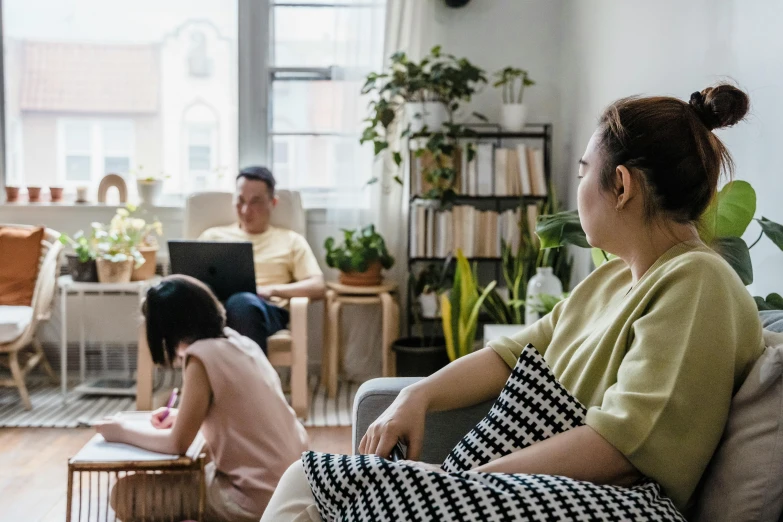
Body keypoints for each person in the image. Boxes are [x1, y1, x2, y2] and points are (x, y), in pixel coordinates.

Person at [261, 84, 764, 520]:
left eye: (584, 172)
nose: (577, 188)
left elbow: (625, 445)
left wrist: (469, 479)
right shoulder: (612, 279)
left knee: (313, 482)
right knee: (318, 486)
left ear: (621, 184)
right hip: (549, 492)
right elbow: (513, 353)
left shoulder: (698, 281)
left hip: (616, 504)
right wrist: (418, 396)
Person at [96, 275, 308, 521]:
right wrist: (181, 414)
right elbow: (234, 411)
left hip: (253, 501)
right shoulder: (242, 343)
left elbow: (177, 444)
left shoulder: (200, 357)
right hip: (291, 491)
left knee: (124, 494)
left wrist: (121, 431)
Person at [199, 166, 325, 353]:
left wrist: (270, 290)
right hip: (215, 310)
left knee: (242, 303)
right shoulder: (213, 237)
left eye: (255, 202)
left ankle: (247, 381)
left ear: (273, 202)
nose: (245, 210)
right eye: (240, 201)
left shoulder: (290, 240)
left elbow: (318, 286)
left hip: (265, 310)